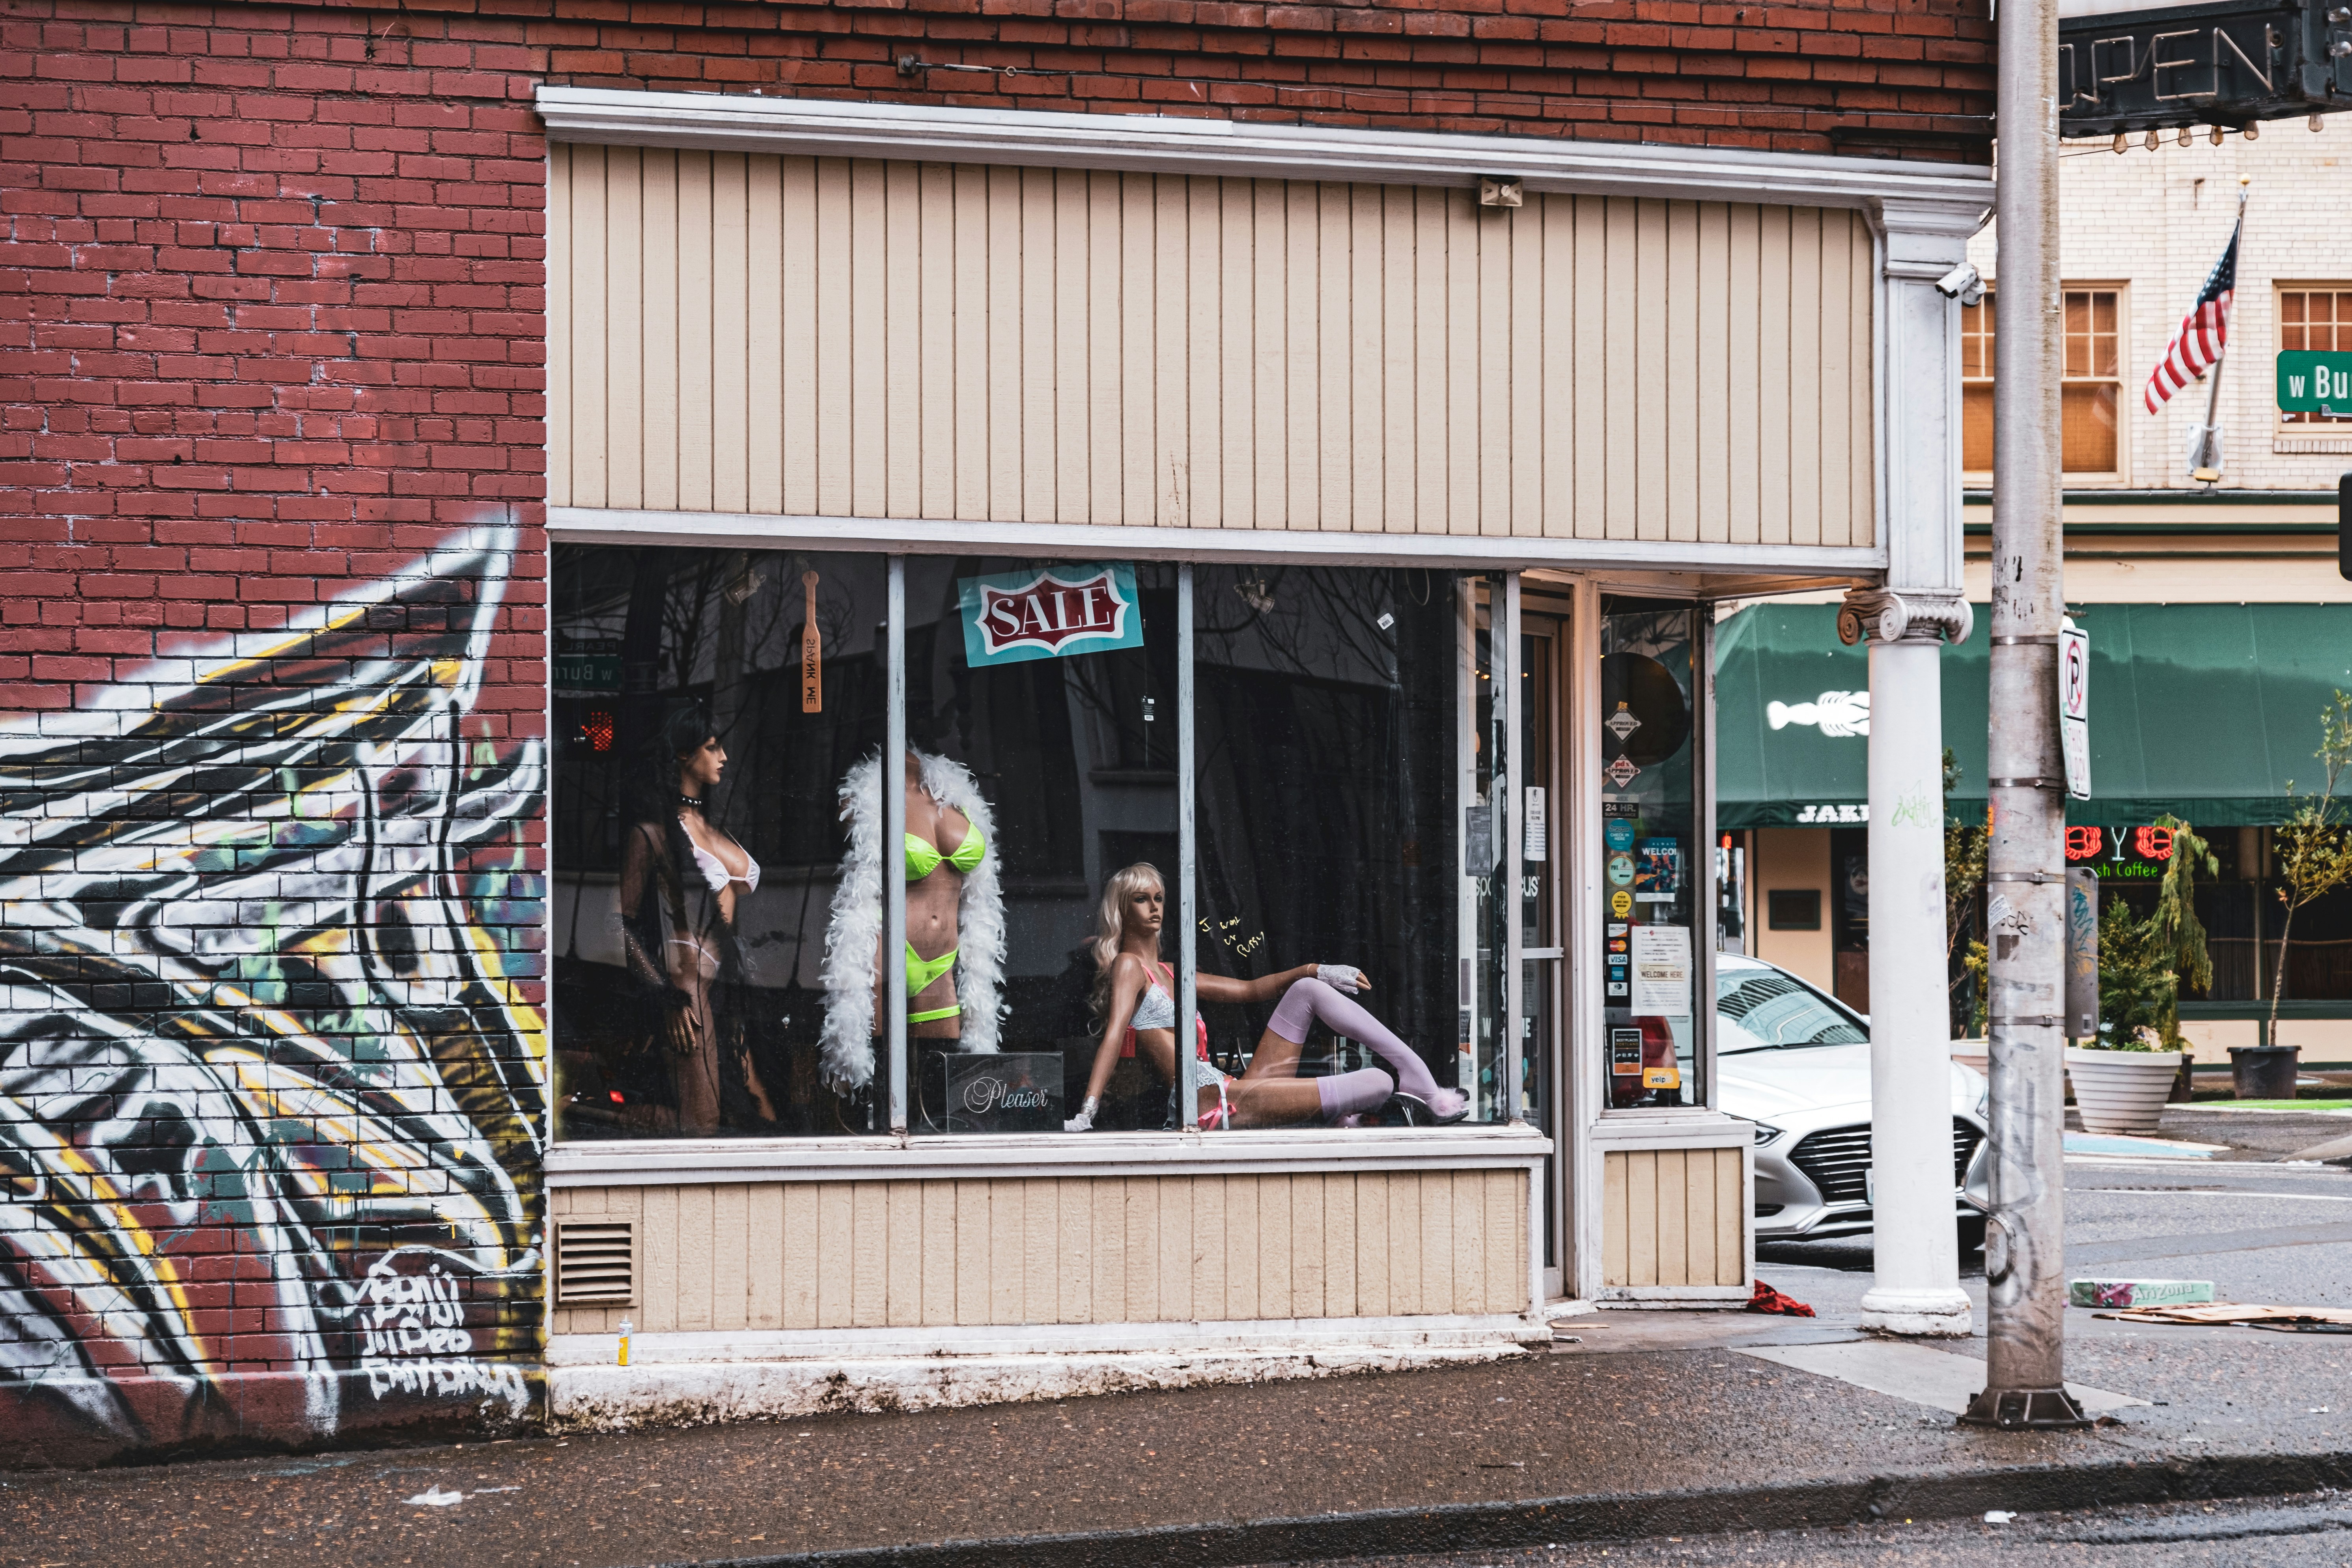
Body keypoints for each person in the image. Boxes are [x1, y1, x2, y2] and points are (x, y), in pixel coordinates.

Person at [1064, 862, 1470, 1131]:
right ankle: (1344, 1113)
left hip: (1235, 1090)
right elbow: (1115, 1035)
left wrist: (1317, 970)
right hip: (1214, 1104)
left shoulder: (1172, 973)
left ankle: (1420, 1080)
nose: (1154, 908)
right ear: (1122, 908)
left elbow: (1249, 990)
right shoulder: (1129, 967)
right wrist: (1088, 1111)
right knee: (1379, 1081)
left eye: (1159, 898)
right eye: (1141, 899)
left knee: (1307, 991)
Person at [615, 704, 777, 1131]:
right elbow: (622, 927)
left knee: (758, 1114)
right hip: (690, 989)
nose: (723, 757)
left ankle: (612, 1117)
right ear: (685, 755)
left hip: (732, 990)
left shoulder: (714, 826)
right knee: (703, 1123)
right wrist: (666, 997)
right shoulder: (656, 833)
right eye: (712, 747)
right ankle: (607, 1119)